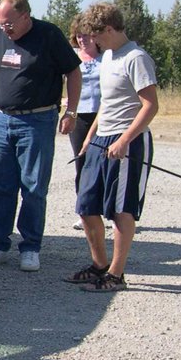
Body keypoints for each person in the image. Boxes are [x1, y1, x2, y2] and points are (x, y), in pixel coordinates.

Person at [0, 0, 82, 272]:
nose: (5, 30)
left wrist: (71, 112)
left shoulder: (49, 35)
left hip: (38, 121)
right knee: (0, 186)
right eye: (0, 24)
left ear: (26, 17)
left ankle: (30, 248)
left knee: (33, 187)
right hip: (2, 120)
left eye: (9, 24)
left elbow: (74, 73)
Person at [64, 2, 159, 292]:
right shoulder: (108, 58)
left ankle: (116, 276)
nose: (92, 42)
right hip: (101, 138)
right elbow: (106, 104)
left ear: (108, 29)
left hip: (127, 141)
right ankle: (99, 266)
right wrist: (90, 137)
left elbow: (151, 105)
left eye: (96, 36)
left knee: (121, 211)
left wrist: (124, 139)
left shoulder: (136, 57)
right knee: (86, 205)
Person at [67, 15, 104, 228]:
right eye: (78, 37)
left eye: (86, 37)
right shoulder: (72, 57)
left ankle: (103, 208)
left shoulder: (106, 58)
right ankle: (84, 209)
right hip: (80, 115)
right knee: (81, 162)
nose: (82, 41)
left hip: (102, 116)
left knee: (103, 163)